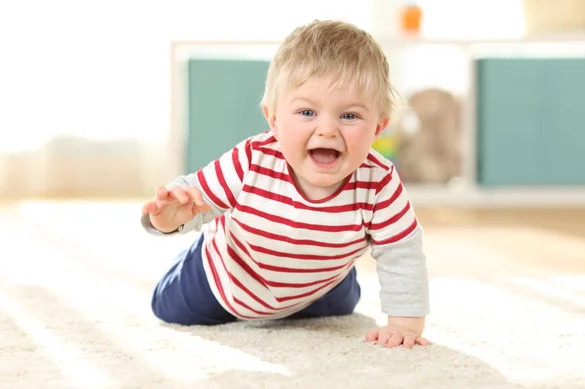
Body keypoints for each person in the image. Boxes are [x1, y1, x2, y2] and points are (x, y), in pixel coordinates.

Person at [141, 20, 430, 349]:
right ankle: (203, 248)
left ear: (377, 129)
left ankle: (329, 276)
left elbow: (401, 252)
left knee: (341, 306)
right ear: (274, 120)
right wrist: (166, 218)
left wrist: (405, 323)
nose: (327, 130)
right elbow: (192, 197)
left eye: (349, 116)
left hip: (318, 290)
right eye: (307, 112)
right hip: (229, 279)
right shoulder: (252, 161)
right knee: (167, 308)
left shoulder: (379, 182)